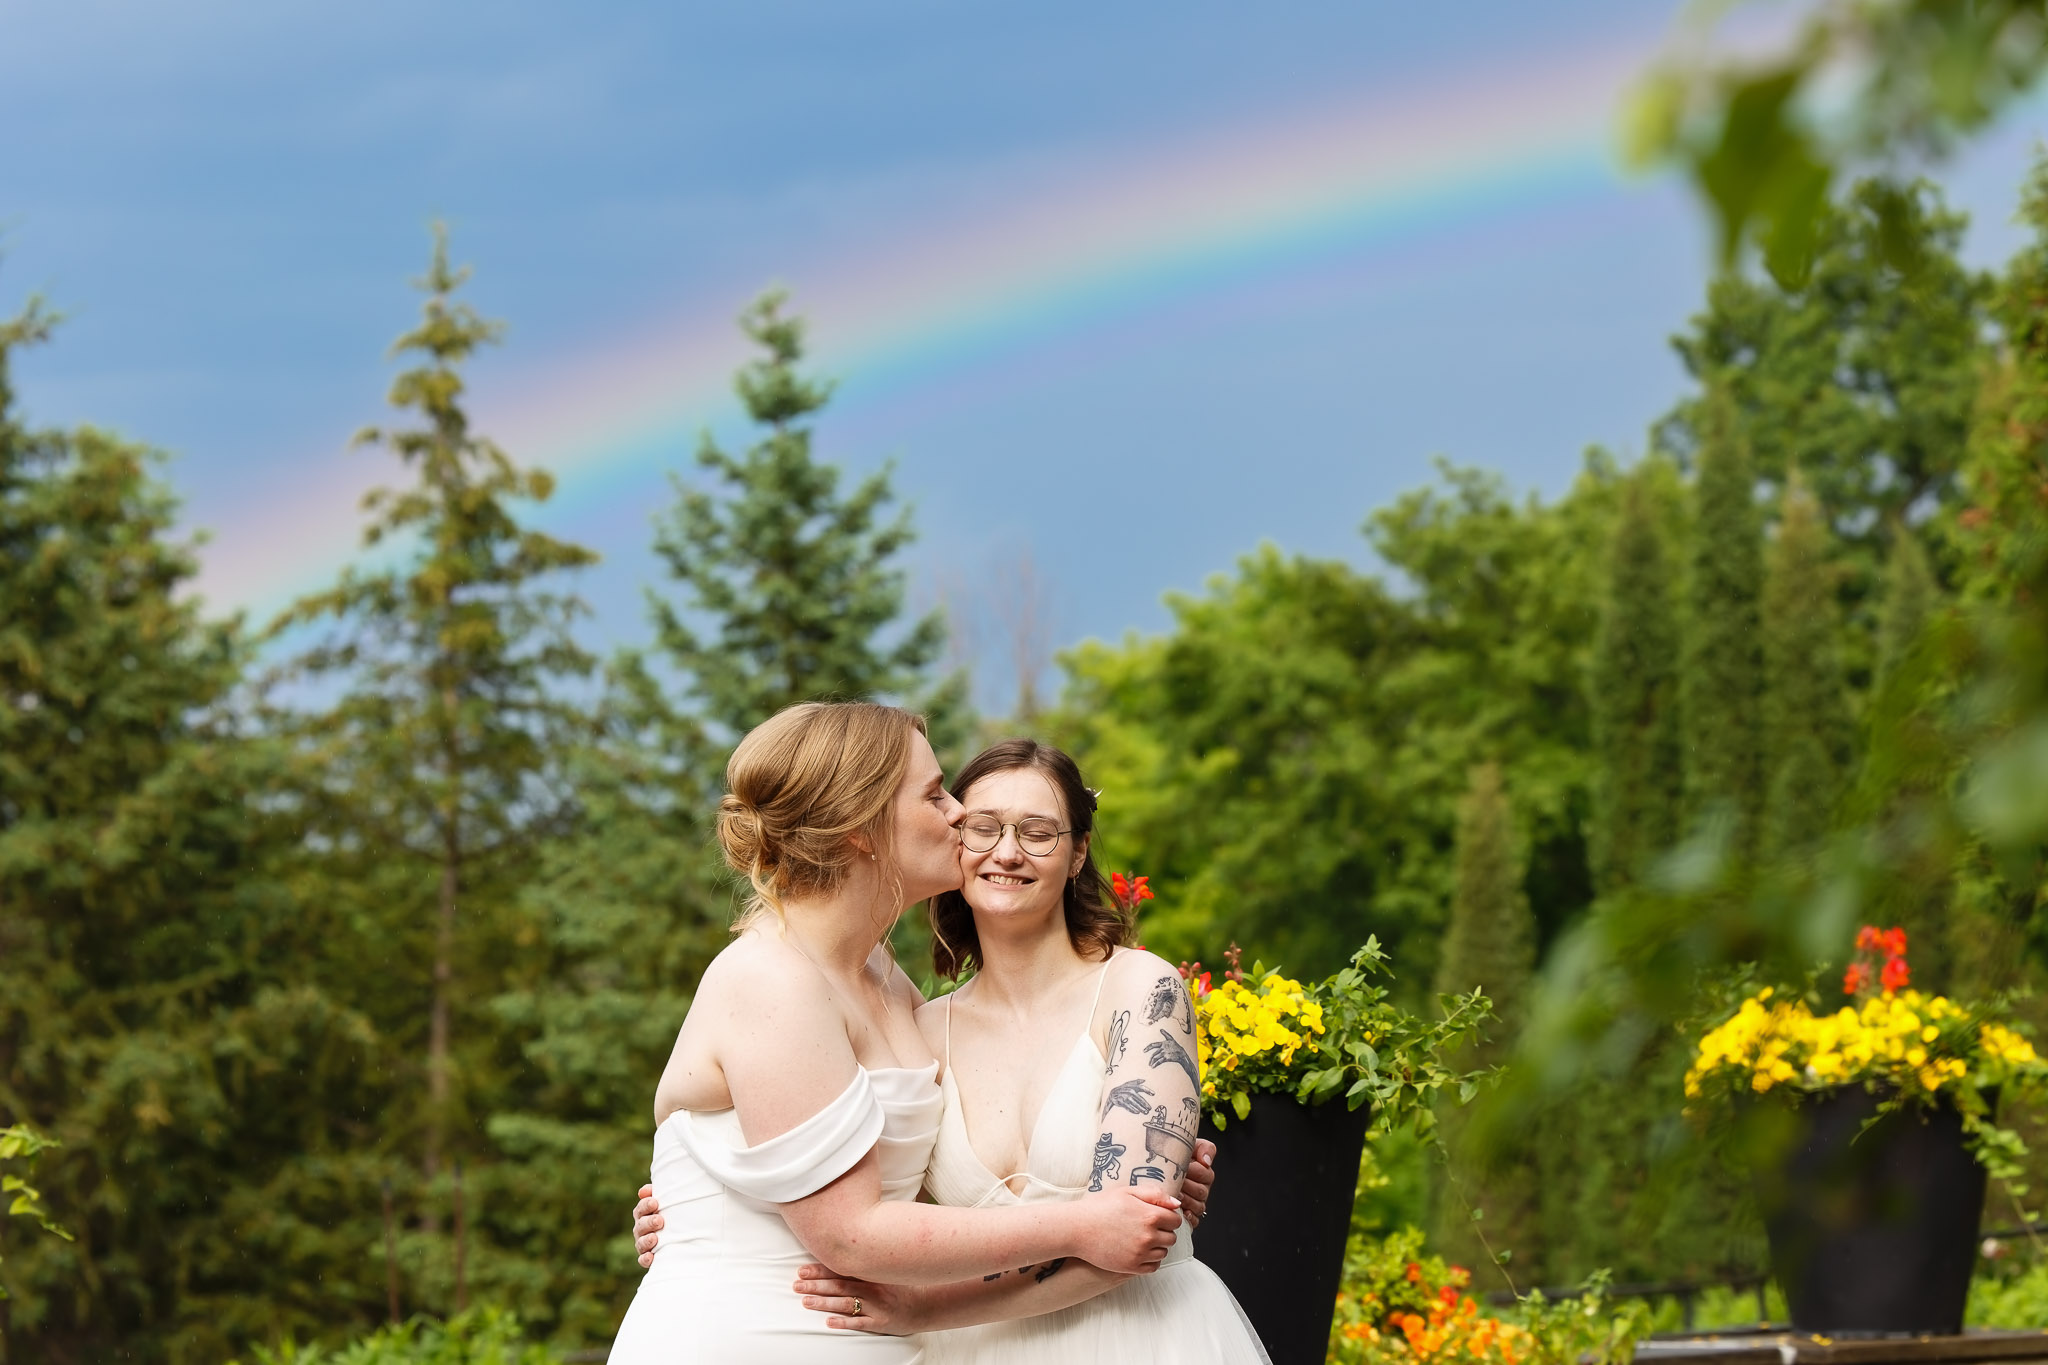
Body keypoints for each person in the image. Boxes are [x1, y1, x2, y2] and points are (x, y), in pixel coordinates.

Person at [635, 737, 1263, 1363]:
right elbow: (853, 1184)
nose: (1007, 852)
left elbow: (1132, 1235)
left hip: (1135, 1338)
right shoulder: (922, 1028)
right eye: (981, 826)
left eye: (1039, 833)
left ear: (1078, 854)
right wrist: (700, 1197)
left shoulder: (1139, 987)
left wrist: (929, 1308)